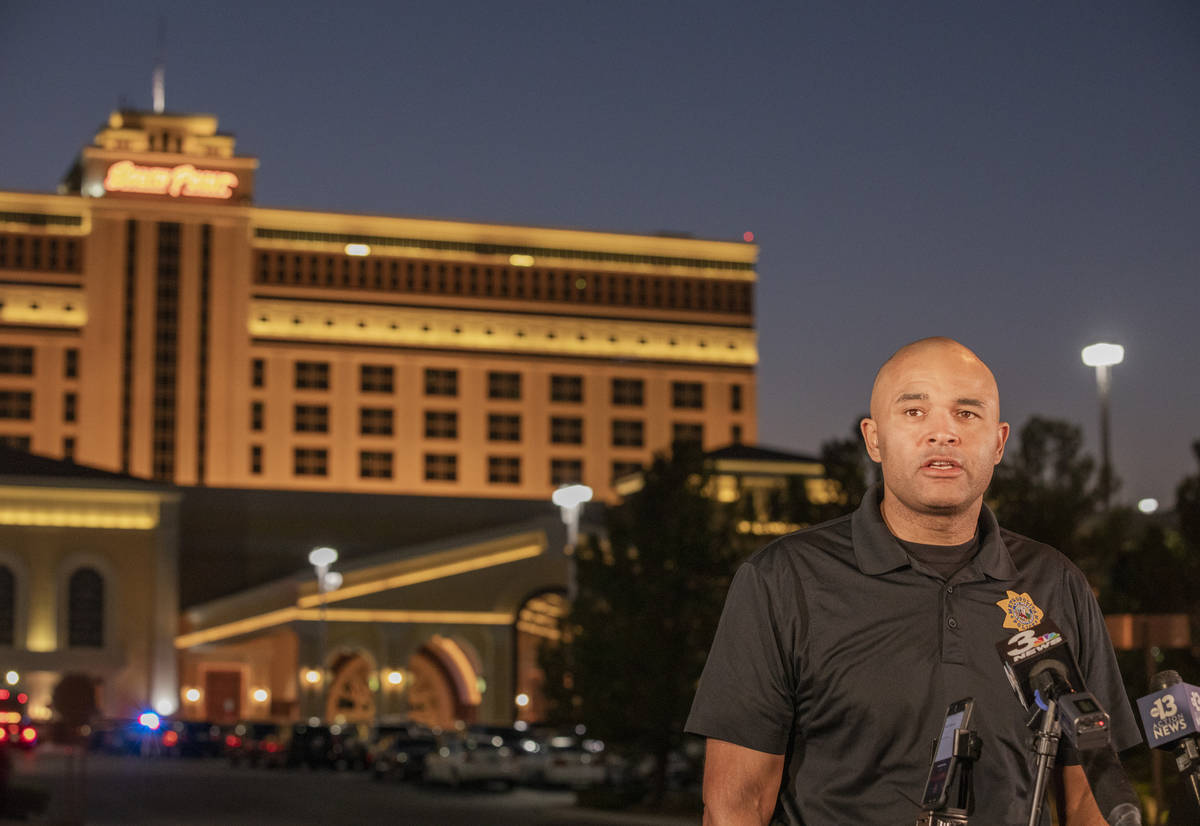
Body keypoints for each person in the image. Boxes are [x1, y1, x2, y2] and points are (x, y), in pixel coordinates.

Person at [686, 337, 1142, 825]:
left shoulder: (1056, 582)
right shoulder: (783, 580)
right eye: (914, 412)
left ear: (999, 442)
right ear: (874, 438)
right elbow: (736, 804)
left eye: (967, 414)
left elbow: (1089, 793)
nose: (942, 434)